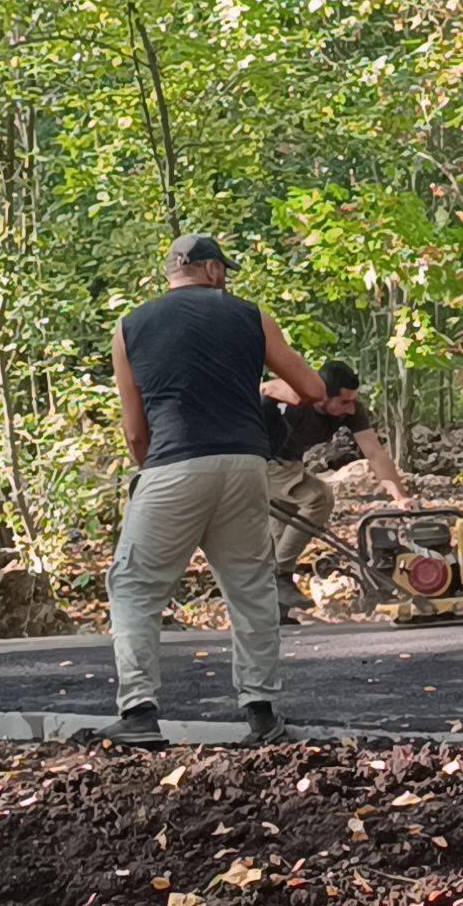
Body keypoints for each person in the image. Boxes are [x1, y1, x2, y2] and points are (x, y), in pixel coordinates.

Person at [103, 234, 325, 748]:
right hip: (246, 464)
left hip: (171, 466)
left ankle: (138, 712)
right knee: (251, 588)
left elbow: (135, 432)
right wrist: (265, 390)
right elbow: (312, 390)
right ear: (207, 270)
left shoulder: (129, 327)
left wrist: (155, 471)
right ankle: (263, 712)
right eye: (223, 268)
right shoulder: (250, 317)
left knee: (136, 588)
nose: (225, 276)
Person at [260, 361, 411, 614]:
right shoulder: (299, 397)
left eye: (353, 401)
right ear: (321, 396)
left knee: (283, 532)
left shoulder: (352, 411)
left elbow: (374, 453)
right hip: (259, 461)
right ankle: (279, 576)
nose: (350, 409)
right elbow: (263, 388)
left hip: (290, 464)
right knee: (319, 498)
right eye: (344, 402)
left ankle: (274, 609)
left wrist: (400, 497)